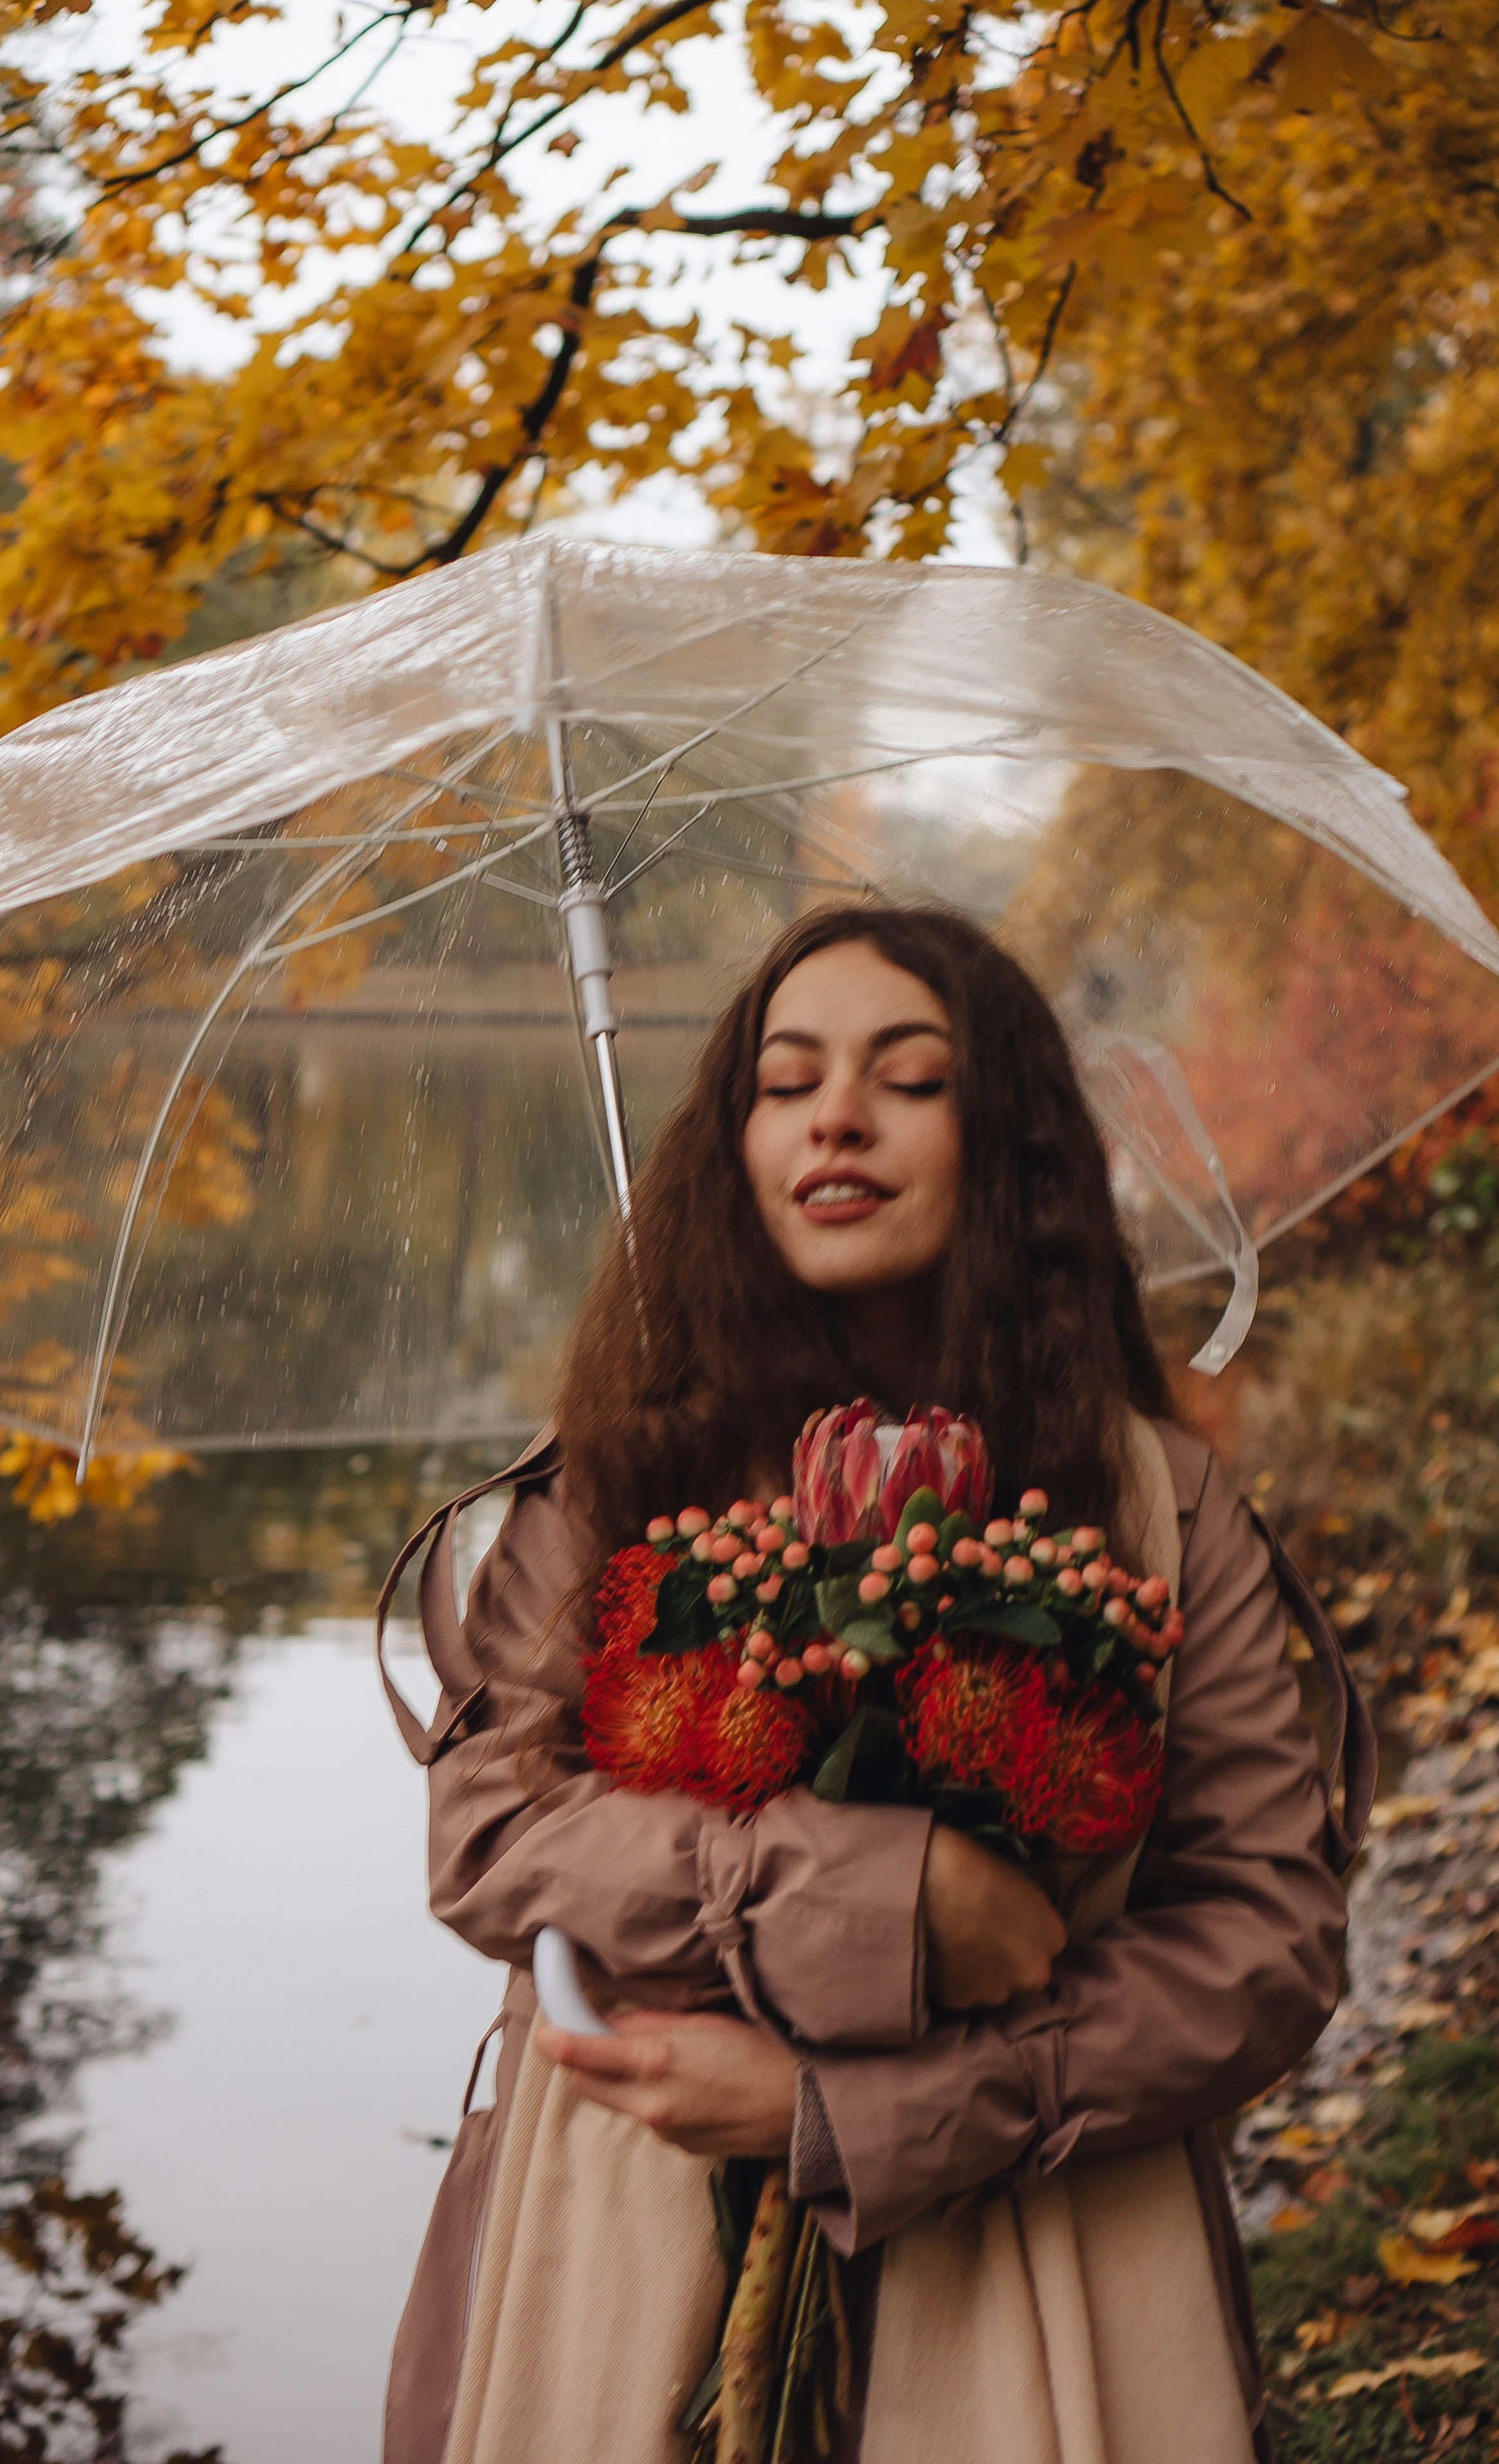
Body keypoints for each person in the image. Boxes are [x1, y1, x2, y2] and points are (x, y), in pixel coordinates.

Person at [377, 903, 1373, 2464]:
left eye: (906, 1078)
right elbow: (490, 1835)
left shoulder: (1156, 1507)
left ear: (1011, 1144)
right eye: (786, 1082)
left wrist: (849, 2119)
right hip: (629, 2234)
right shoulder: (617, 1479)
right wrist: (873, 1887)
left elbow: (1265, 1940)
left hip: (1037, 2269)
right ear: (737, 1140)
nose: (834, 1114)